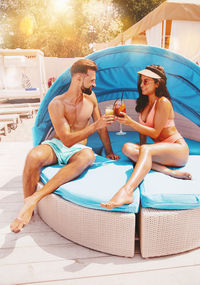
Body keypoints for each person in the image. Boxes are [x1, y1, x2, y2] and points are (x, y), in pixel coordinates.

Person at [10, 58, 119, 233]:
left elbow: (101, 129)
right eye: (91, 80)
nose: (95, 84)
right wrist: (95, 125)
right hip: (58, 145)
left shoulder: (91, 99)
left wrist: (110, 151)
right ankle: (27, 204)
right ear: (78, 79)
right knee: (33, 156)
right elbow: (67, 139)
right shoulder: (57, 103)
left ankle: (33, 199)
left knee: (88, 156)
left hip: (78, 150)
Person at [101, 64, 192, 210]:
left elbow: (155, 133)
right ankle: (169, 172)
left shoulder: (163, 102)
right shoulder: (144, 104)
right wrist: (139, 148)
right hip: (159, 150)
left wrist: (130, 123)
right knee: (127, 148)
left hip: (177, 149)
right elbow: (143, 133)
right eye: (141, 81)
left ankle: (127, 191)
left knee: (146, 150)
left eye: (146, 81)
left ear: (157, 83)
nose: (141, 85)